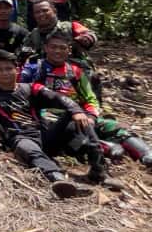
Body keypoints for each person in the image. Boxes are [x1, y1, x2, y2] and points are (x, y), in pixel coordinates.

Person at [0, 49, 104, 197]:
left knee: (76, 114)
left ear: (17, 70)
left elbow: (59, 98)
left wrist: (76, 111)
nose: (5, 73)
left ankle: (98, 168)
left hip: (44, 135)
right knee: (30, 150)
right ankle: (59, 179)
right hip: (19, 138)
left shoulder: (31, 88)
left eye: (8, 68)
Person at [21, 30, 151, 169]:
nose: (57, 51)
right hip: (48, 119)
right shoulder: (33, 68)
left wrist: (91, 117)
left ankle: (146, 154)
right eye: (53, 47)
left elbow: (90, 98)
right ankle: (104, 148)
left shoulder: (76, 72)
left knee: (113, 126)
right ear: (46, 48)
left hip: (80, 116)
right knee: (73, 139)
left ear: (69, 50)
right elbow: (19, 92)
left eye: (62, 48)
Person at [21, 0, 97, 65]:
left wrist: (84, 39)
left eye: (45, 10)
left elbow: (91, 35)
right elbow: (24, 54)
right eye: (37, 12)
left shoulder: (70, 27)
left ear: (54, 11)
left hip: (74, 70)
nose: (41, 14)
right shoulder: (33, 35)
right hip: (45, 72)